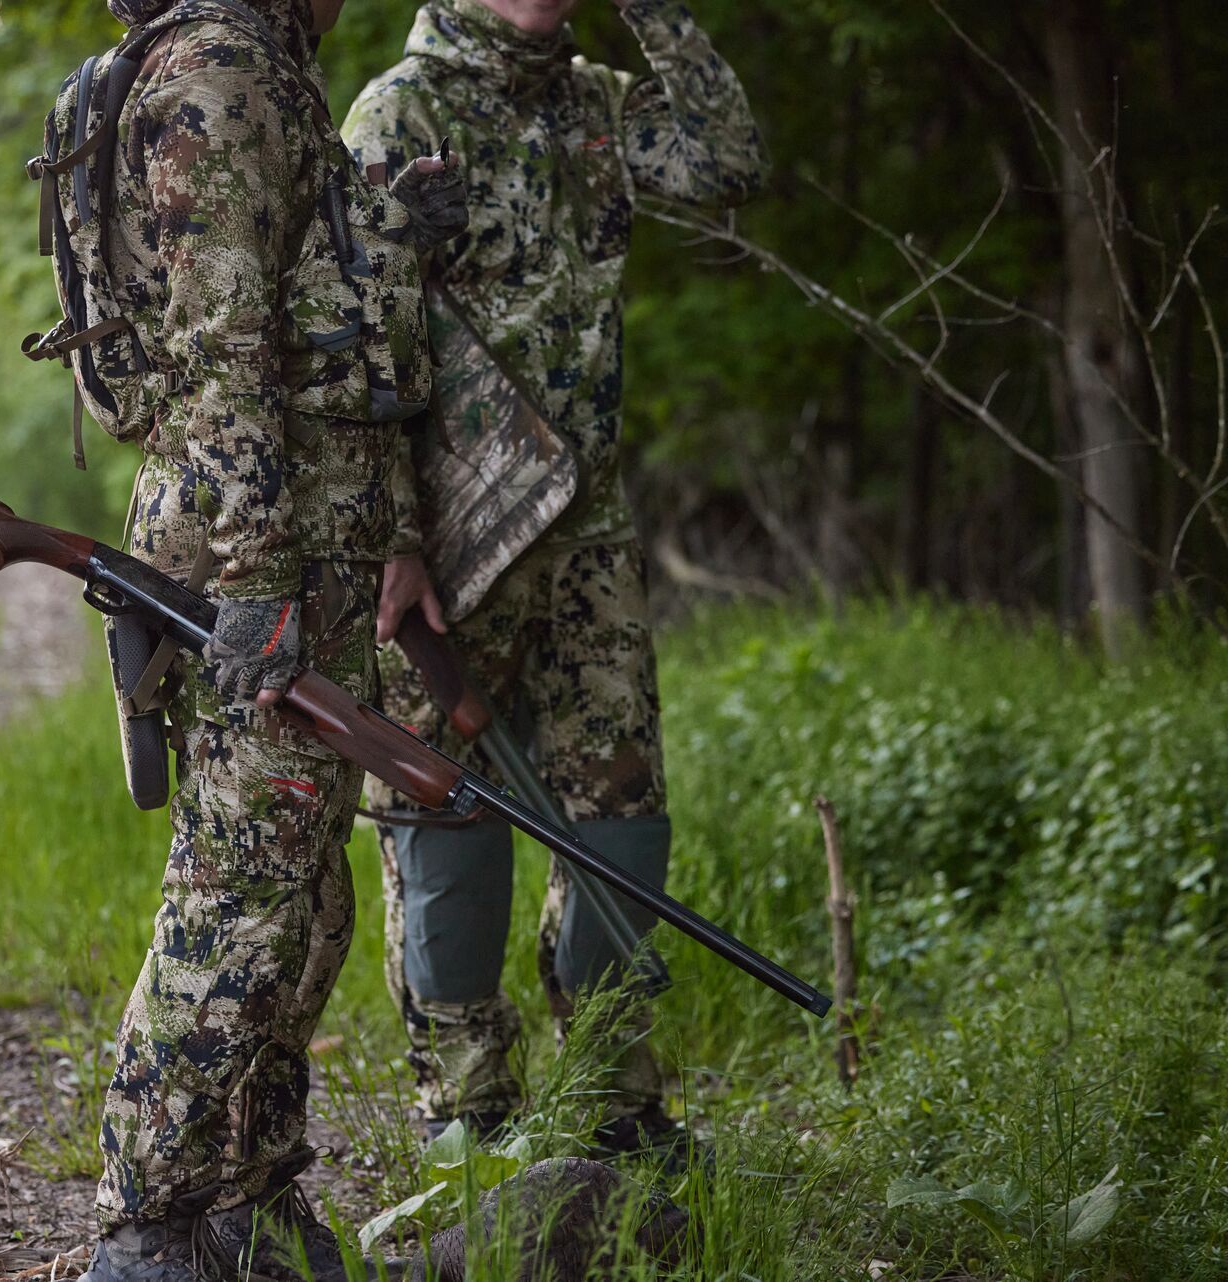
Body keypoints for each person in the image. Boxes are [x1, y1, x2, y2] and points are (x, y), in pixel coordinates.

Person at [75, 1, 465, 1278]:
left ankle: (245, 1199)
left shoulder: (274, 74)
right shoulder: (224, 73)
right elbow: (222, 347)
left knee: (304, 899)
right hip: (263, 546)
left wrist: (396, 533)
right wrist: (258, 576)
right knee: (237, 898)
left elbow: (343, 345)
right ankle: (151, 1226)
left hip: (326, 534)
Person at [341, 0, 768, 1151]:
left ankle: (607, 1101)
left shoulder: (598, 106)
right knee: (446, 816)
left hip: (589, 536)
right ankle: (468, 1112)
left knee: (623, 825)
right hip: (450, 543)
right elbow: (358, 340)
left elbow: (729, 162)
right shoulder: (398, 112)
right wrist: (393, 531)